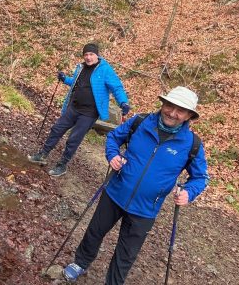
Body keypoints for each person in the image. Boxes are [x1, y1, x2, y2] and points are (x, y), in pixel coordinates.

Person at [62, 86, 210, 284]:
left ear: (189, 116)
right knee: (95, 231)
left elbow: (200, 177)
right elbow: (114, 137)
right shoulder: (140, 122)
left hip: (146, 209)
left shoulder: (192, 144)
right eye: (169, 106)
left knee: (127, 252)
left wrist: (189, 193)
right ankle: (81, 262)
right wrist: (113, 155)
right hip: (115, 192)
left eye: (180, 110)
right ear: (163, 104)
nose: (172, 113)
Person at [29, 43, 130, 176]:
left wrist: (123, 102)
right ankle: (43, 154)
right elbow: (76, 83)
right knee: (57, 129)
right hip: (74, 107)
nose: (88, 57)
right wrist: (65, 79)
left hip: (89, 113)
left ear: (97, 55)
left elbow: (116, 87)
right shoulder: (81, 67)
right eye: (86, 54)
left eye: (91, 54)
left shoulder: (105, 69)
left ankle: (62, 164)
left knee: (73, 139)